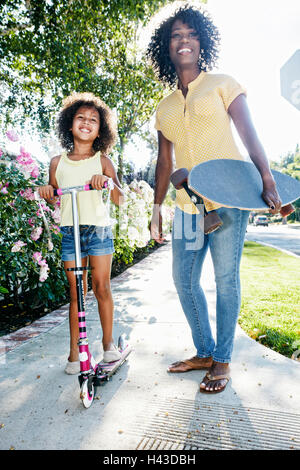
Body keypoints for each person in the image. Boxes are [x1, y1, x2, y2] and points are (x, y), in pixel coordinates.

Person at [147, 6, 281, 393]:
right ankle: (204, 351)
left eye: (190, 33)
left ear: (200, 41)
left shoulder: (223, 83)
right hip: (188, 207)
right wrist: (156, 207)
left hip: (229, 200)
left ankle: (221, 360)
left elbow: (249, 133)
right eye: (175, 35)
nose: (183, 40)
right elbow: (163, 161)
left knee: (226, 280)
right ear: (166, 47)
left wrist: (267, 177)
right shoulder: (165, 106)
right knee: (184, 280)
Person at [38, 92, 124, 374]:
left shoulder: (102, 160)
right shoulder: (57, 163)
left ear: (101, 129)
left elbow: (120, 199)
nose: (86, 123)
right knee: (76, 293)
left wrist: (107, 182)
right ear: (70, 124)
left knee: (101, 287)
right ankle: (75, 353)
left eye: (93, 120)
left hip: (97, 230)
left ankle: (109, 345)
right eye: (80, 118)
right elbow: (53, 194)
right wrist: (46, 191)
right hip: (69, 230)